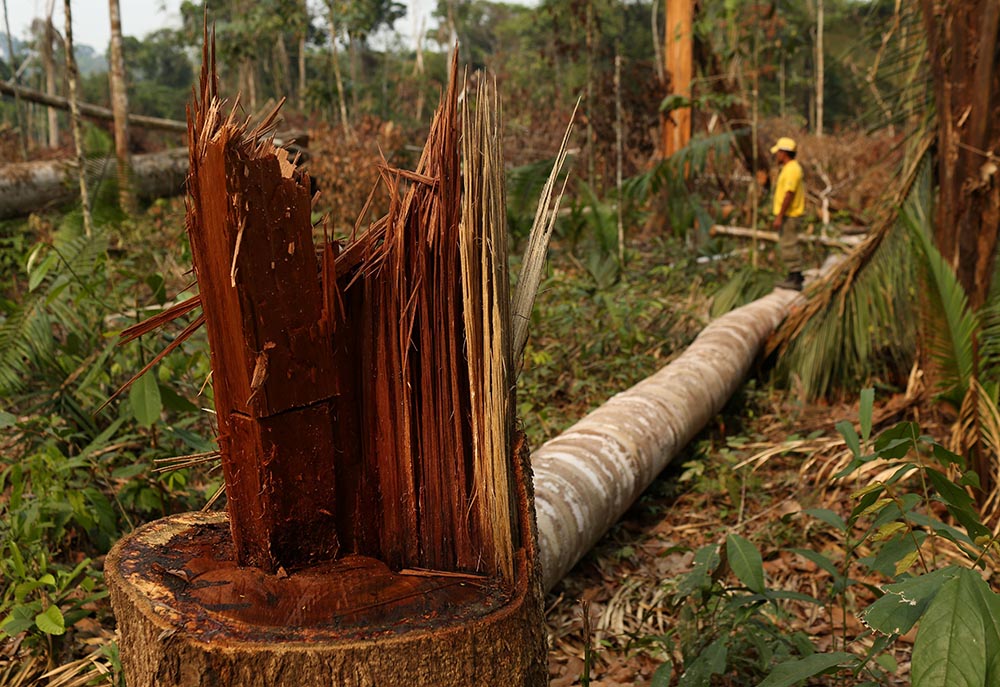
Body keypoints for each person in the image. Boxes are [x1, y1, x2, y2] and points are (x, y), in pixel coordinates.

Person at [770, 137, 806, 291]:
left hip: (790, 215)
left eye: (778, 152)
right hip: (788, 214)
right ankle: (793, 275)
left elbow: (789, 194)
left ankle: (795, 278)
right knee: (787, 245)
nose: (776, 155)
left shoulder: (792, 169)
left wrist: (780, 216)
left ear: (784, 153)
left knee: (789, 245)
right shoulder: (788, 168)